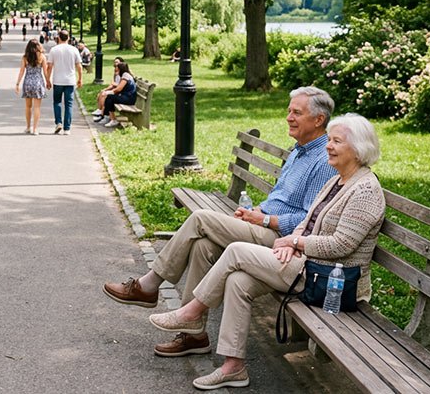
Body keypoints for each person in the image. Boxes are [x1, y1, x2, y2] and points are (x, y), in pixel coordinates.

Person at [148, 113, 384, 390]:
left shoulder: (365, 191)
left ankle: (191, 313)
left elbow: (342, 244)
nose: (328, 146)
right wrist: (292, 241)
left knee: (236, 251)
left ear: (358, 149)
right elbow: (308, 221)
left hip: (330, 280)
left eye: (336, 142)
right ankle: (233, 367)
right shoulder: (338, 181)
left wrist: (295, 244)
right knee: (239, 281)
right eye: (329, 140)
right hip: (305, 265)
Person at [103, 86, 337, 358]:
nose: (289, 117)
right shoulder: (298, 150)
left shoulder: (324, 160)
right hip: (261, 224)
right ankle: (194, 335)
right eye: (289, 111)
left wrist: (265, 218)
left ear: (318, 119)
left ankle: (149, 285)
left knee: (200, 219)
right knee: (202, 246)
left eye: (297, 112)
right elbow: (281, 196)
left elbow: (310, 219)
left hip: (281, 240)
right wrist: (257, 210)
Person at [44, 30, 83, 135]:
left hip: (58, 80)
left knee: (57, 102)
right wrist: (80, 78)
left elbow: (49, 66)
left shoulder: (54, 50)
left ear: (59, 38)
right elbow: (79, 66)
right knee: (69, 104)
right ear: (68, 38)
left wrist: (47, 79)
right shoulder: (74, 50)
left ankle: (58, 122)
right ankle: (67, 128)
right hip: (70, 80)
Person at [15, 39, 47, 135]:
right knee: (37, 107)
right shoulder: (42, 57)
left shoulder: (25, 57)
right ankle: (35, 129)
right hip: (38, 82)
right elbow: (45, 71)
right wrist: (48, 81)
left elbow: (21, 71)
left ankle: (28, 127)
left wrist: (17, 83)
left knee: (28, 106)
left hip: (28, 82)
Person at [96, 62, 137, 128]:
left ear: (121, 69)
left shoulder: (125, 76)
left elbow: (119, 89)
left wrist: (108, 92)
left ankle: (111, 119)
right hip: (127, 97)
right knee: (110, 98)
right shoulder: (125, 75)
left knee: (110, 98)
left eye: (117, 67)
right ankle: (107, 117)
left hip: (129, 98)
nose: (115, 69)